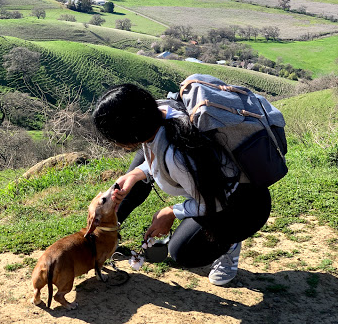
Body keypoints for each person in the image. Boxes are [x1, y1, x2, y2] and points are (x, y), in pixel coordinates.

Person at [92, 83, 271, 285]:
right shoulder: (158, 112)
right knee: (134, 177)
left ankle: (229, 242)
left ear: (129, 134)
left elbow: (214, 202)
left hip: (243, 204)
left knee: (184, 252)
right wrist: (135, 174)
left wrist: (171, 212)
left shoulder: (178, 156)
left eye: (114, 138)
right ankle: (104, 236)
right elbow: (157, 156)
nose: (115, 144)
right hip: (208, 180)